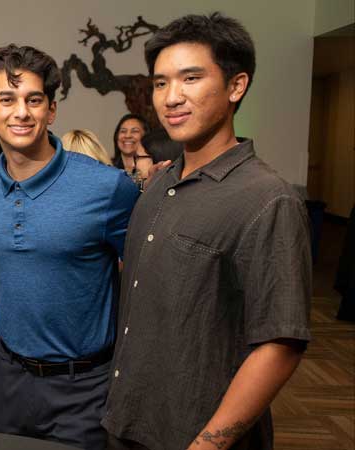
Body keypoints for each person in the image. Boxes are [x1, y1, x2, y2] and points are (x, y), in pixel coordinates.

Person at [104, 13, 311, 450]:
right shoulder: (159, 184)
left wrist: (207, 445)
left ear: (236, 86)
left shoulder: (268, 199)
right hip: (127, 424)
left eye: (191, 78)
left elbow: (280, 345)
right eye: (160, 83)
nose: (171, 97)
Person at [0, 44, 138, 449]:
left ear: (51, 110)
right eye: (7, 100)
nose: (21, 112)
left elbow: (143, 278)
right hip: (7, 381)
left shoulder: (106, 187)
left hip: (83, 388)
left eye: (34, 100)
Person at [112, 114, 155, 186]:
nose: (127, 136)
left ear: (146, 135)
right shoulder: (109, 168)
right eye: (123, 131)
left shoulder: (154, 170)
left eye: (135, 131)